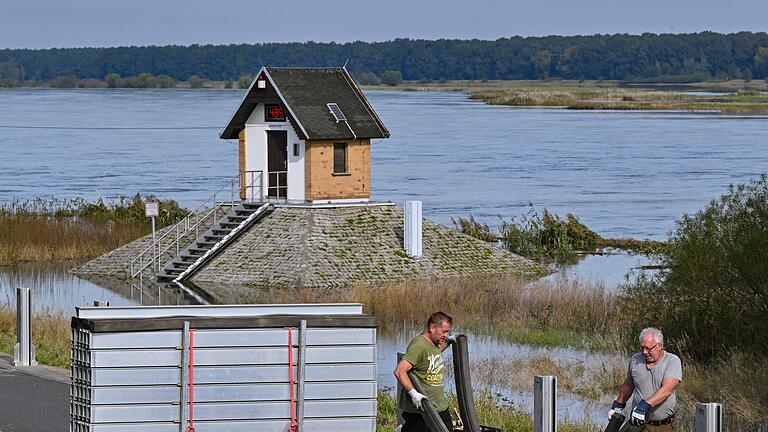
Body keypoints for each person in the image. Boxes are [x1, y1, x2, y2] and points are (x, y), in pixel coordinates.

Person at [608, 327, 683, 431]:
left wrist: (643, 406)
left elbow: (667, 389)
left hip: (664, 426)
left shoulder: (672, 361)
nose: (644, 352)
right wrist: (618, 405)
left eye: (648, 348)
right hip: (639, 425)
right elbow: (629, 384)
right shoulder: (635, 359)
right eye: (642, 347)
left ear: (660, 346)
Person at [394, 311, 457, 432]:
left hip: (439, 406)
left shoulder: (434, 343)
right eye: (444, 331)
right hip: (420, 409)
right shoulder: (419, 345)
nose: (446, 334)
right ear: (432, 328)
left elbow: (434, 352)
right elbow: (399, 371)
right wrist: (414, 394)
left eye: (448, 331)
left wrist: (448, 341)